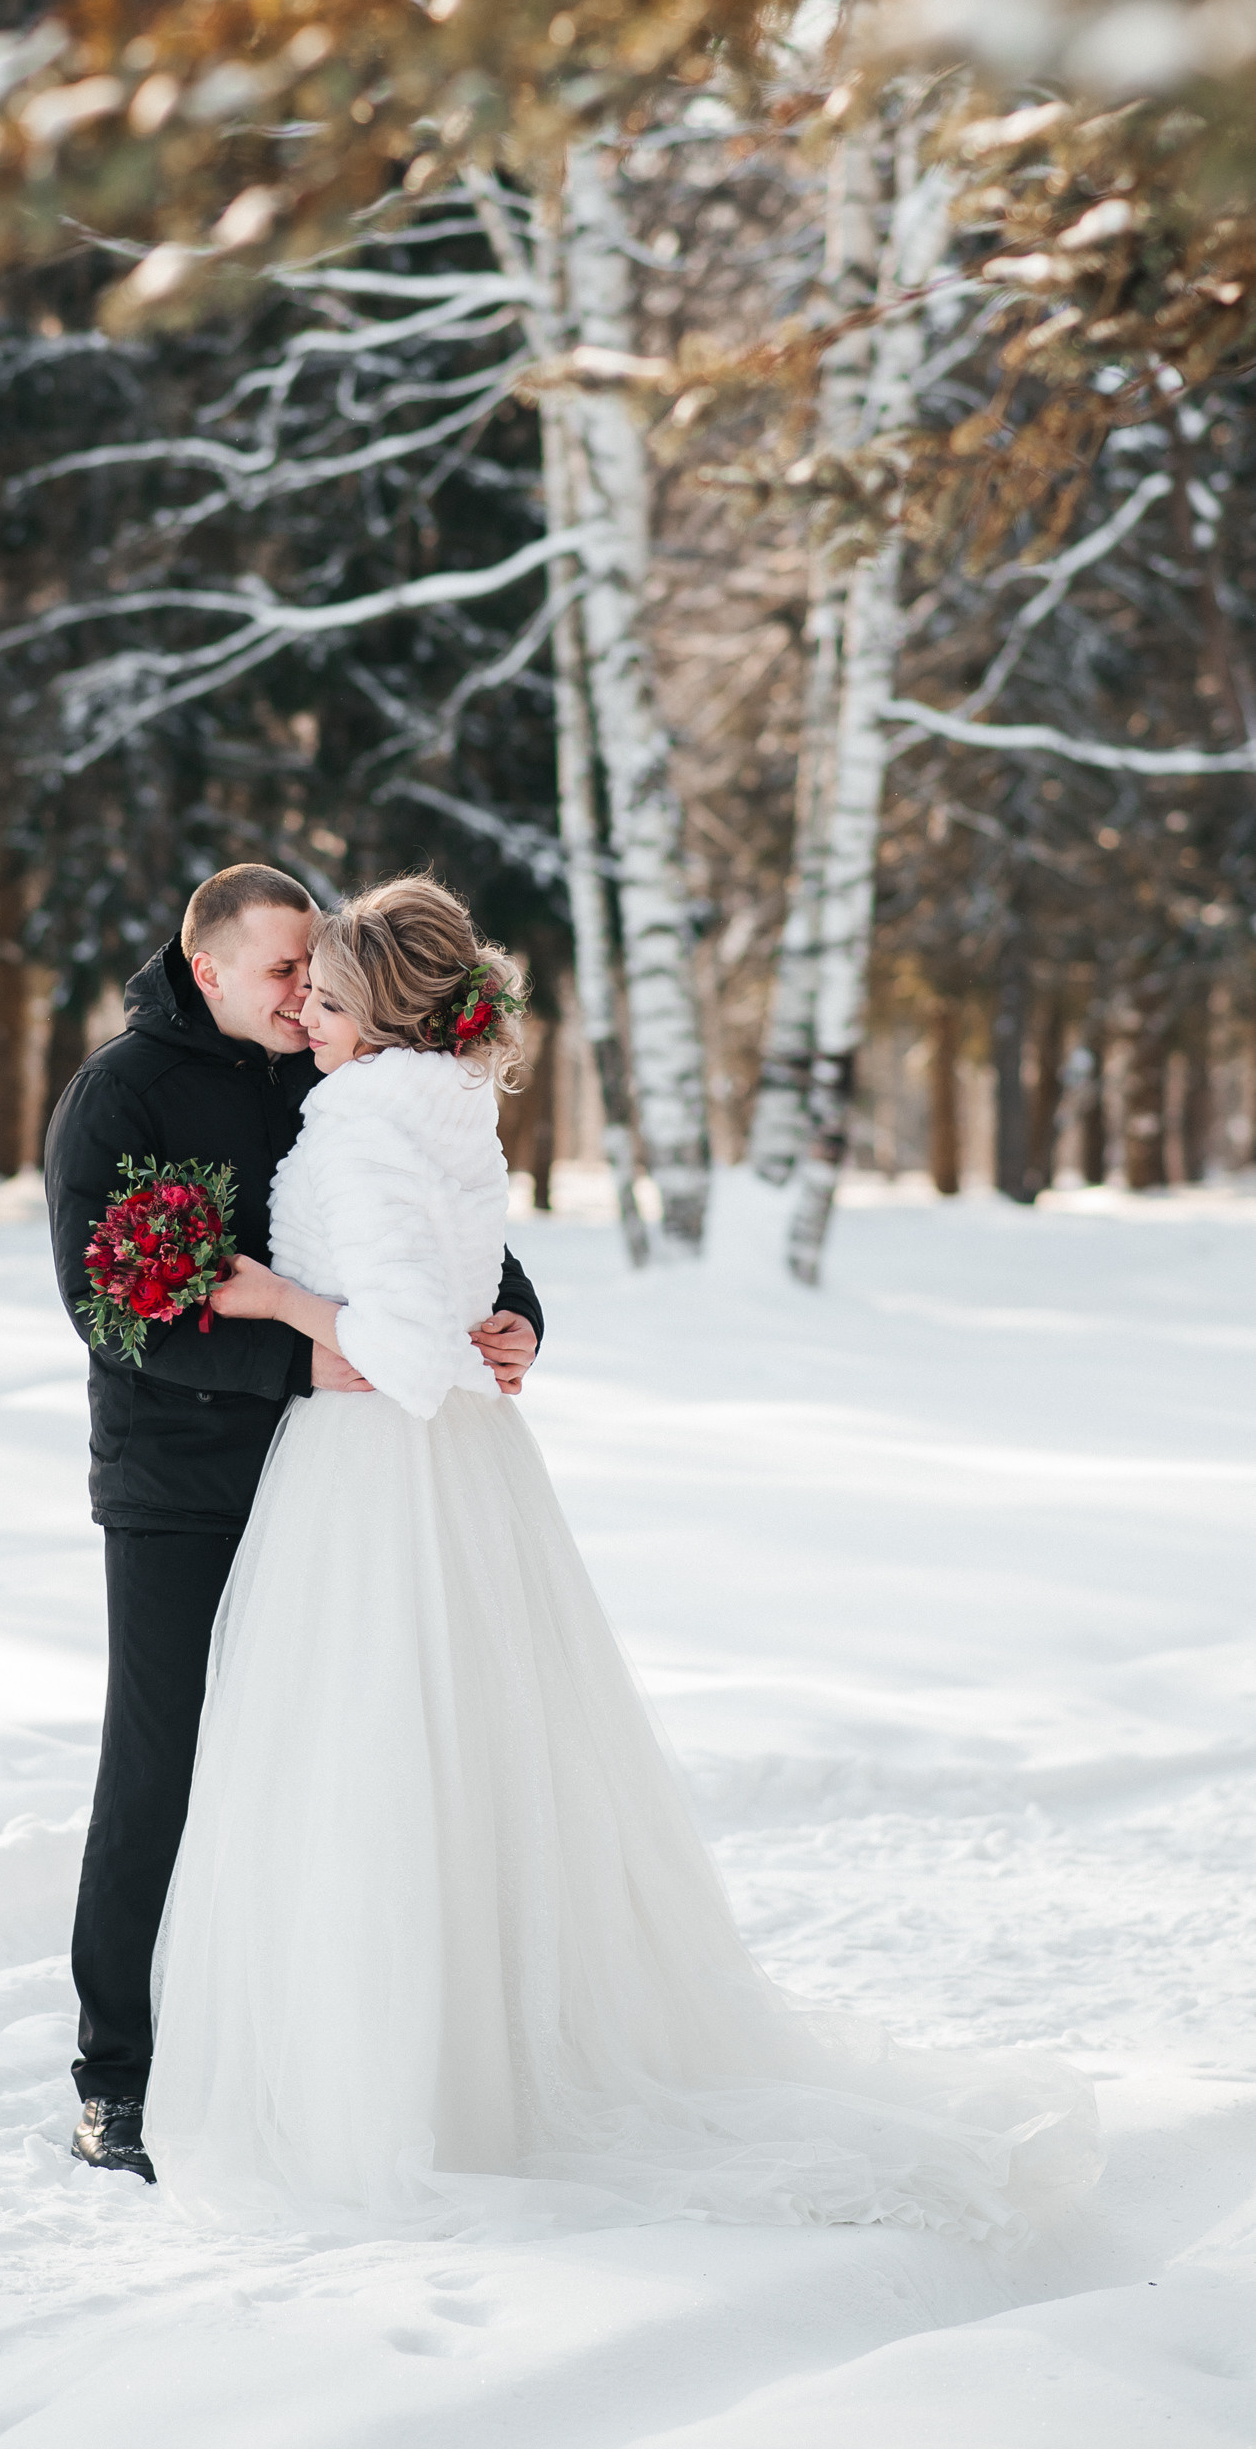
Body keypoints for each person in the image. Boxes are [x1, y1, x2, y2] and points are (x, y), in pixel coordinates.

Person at [144, 874, 1099, 2236]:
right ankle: (470, 2049)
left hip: (377, 1484)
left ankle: (395, 2087)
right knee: (461, 1771)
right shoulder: (445, 1107)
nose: (313, 1010)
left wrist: (280, 1297)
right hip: (460, 1481)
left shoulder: (361, 1127)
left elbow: (410, 1355)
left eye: (334, 995)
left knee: (370, 1770)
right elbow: (457, 1304)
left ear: (385, 1015)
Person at [43, 863, 546, 2181]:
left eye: (313, 976)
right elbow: (113, 1310)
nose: (301, 996)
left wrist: (518, 1318)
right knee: (166, 1768)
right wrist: (301, 1361)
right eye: (280, 975)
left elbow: (432, 1222)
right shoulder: (122, 1097)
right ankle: (120, 2074)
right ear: (203, 968)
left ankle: (279, 2046)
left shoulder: (332, 1065)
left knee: (326, 1780)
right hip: (183, 1484)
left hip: (338, 1481)